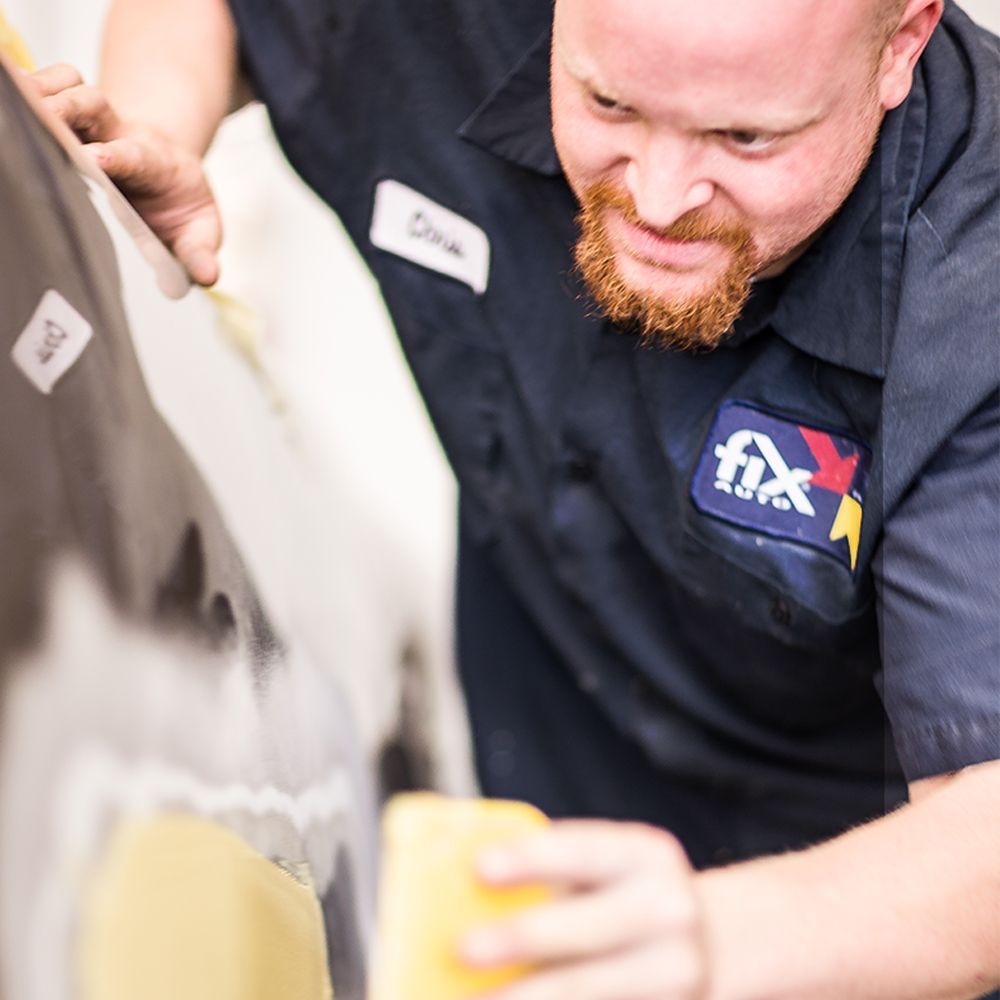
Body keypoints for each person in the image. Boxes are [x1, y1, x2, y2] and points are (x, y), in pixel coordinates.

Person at [31, 0, 1000, 995]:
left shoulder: (979, 283)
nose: (659, 198)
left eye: (744, 137)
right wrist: (154, 127)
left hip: (854, 911)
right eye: (609, 104)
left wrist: (716, 940)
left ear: (902, 41)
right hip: (537, 776)